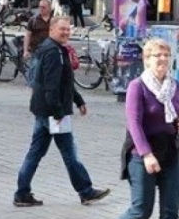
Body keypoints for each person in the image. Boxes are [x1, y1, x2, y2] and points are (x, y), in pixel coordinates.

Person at [102, 39, 179, 219]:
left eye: (165, 55)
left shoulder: (175, 86)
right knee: (141, 210)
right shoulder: (137, 87)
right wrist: (146, 154)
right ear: (146, 59)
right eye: (156, 55)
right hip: (143, 154)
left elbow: (175, 116)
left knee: (171, 210)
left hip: (171, 151)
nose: (162, 59)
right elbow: (134, 123)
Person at [14, 16, 111, 207]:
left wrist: (78, 100)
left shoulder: (54, 48)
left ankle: (22, 193)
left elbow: (64, 81)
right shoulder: (52, 51)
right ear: (52, 30)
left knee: (35, 152)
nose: (66, 32)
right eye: (62, 29)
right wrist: (58, 112)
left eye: (68, 29)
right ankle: (85, 191)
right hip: (53, 112)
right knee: (69, 153)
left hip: (44, 110)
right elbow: (52, 85)